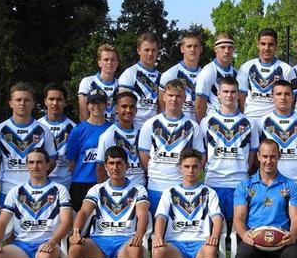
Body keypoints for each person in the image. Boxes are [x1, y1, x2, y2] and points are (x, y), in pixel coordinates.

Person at [67, 146, 150, 258]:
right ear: (105, 166)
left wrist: (139, 234)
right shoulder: (97, 189)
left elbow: (143, 215)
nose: (115, 167)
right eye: (111, 163)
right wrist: (76, 231)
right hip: (99, 241)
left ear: (127, 166)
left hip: (124, 241)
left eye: (119, 163)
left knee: (136, 252)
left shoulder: (138, 189)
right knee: (74, 251)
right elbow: (83, 212)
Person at [151, 148, 224, 258]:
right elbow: (161, 216)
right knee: (158, 252)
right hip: (176, 244)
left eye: (195, 167)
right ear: (180, 168)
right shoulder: (170, 193)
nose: (191, 171)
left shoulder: (209, 193)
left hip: (200, 243)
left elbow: (217, 218)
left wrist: (214, 235)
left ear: (201, 168)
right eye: (187, 166)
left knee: (211, 252)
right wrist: (158, 235)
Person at [139, 80, 205, 214]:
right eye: (170, 95)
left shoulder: (193, 127)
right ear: (163, 96)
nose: (174, 99)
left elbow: (201, 158)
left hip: (181, 186)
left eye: (178, 96)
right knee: (156, 231)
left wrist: (186, 178)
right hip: (156, 186)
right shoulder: (150, 124)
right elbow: (144, 156)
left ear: (185, 99)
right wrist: (156, 173)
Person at [200, 77, 258, 224]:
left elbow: (252, 152)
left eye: (233, 92)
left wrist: (244, 170)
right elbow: (203, 152)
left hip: (239, 182)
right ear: (218, 94)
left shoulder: (250, 122)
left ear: (238, 94)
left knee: (238, 225)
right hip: (214, 180)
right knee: (214, 226)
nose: (229, 95)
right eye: (225, 91)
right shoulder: (207, 122)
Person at [0, 82, 57, 210]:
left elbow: (52, 160)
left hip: (36, 192)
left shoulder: (44, 130)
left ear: (33, 104)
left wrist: (38, 176)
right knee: (6, 230)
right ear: (11, 103)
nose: (22, 103)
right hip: (8, 191)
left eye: (27, 100)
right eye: (18, 100)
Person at [66, 88, 111, 211]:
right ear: (87, 105)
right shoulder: (78, 130)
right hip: (81, 183)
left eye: (100, 102)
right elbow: (71, 161)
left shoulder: (112, 129)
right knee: (81, 225)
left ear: (106, 105)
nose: (97, 106)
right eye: (93, 102)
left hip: (104, 183)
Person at [237, 28, 292, 124]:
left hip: (274, 121)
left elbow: (291, 98)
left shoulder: (286, 69)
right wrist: (243, 118)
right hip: (251, 118)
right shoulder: (246, 67)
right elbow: (241, 96)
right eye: (263, 44)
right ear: (257, 44)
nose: (266, 48)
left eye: (270, 44)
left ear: (276, 46)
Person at [97, 92, 146, 186]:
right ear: (116, 109)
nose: (128, 110)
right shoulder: (108, 135)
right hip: (119, 188)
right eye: (124, 106)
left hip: (141, 187)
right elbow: (100, 168)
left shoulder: (142, 131)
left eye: (132, 107)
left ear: (136, 110)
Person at [118, 33, 161, 130]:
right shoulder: (129, 74)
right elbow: (122, 106)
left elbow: (162, 107)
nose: (150, 53)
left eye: (153, 50)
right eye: (146, 50)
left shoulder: (161, 77)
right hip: (134, 127)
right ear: (138, 50)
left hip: (154, 128)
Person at [38, 83, 76, 188]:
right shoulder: (36, 127)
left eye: (59, 99)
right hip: (40, 183)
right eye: (51, 99)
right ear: (45, 101)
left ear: (65, 102)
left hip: (66, 185)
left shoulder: (74, 128)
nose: (55, 103)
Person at [159, 32, 204, 121]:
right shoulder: (170, 74)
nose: (192, 49)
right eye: (189, 46)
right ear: (182, 49)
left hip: (198, 126)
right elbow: (162, 104)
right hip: (177, 125)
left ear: (201, 49)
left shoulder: (205, 74)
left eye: (196, 46)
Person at [195, 33, 238, 121]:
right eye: (222, 47)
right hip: (214, 122)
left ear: (233, 49)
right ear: (215, 49)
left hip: (234, 120)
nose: (226, 51)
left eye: (229, 47)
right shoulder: (208, 71)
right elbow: (199, 104)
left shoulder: (236, 72)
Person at [78, 44, 120, 122]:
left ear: (117, 63)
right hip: (94, 130)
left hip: (115, 130)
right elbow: (83, 113)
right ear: (99, 62)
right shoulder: (88, 82)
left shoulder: (122, 84)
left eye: (113, 60)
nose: (109, 62)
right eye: (106, 59)